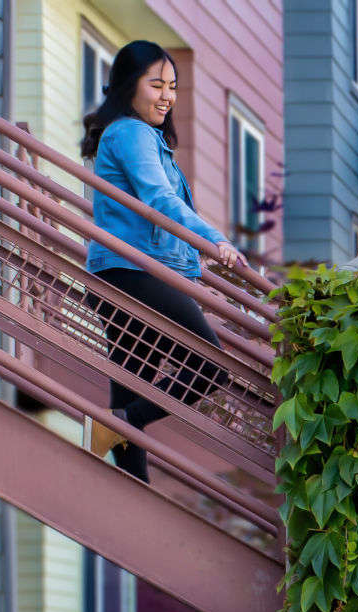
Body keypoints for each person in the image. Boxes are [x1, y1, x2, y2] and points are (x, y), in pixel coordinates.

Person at [81, 41, 243, 483]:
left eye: (173, 86)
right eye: (157, 85)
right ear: (129, 87)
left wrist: (192, 273)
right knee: (208, 366)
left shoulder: (136, 136)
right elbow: (158, 199)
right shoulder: (131, 133)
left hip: (125, 273)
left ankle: (133, 492)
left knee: (131, 389)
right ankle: (119, 425)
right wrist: (213, 241)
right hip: (132, 272)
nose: (167, 96)